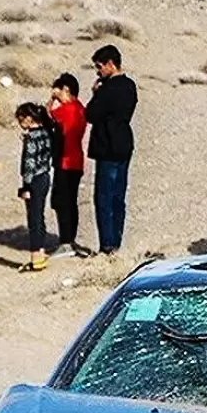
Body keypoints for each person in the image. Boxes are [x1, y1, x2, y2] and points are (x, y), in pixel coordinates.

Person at [84, 45, 137, 255]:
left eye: (99, 66)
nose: (98, 71)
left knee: (104, 198)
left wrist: (96, 94)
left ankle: (107, 244)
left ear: (110, 64)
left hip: (108, 146)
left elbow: (91, 114)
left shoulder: (108, 89)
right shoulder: (130, 85)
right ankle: (116, 242)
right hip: (124, 143)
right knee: (118, 196)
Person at [48, 73, 88, 258]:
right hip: (76, 160)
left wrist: (53, 99)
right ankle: (69, 240)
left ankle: (65, 242)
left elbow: (49, 114)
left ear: (66, 89)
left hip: (65, 160)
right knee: (70, 202)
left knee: (62, 202)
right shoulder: (80, 108)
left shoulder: (68, 109)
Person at [15, 103, 54, 273]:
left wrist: (26, 186)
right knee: (40, 215)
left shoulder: (31, 137)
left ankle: (36, 257)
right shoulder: (46, 133)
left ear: (28, 119)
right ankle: (42, 252)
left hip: (35, 180)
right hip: (45, 176)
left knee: (34, 219)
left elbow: (29, 164)